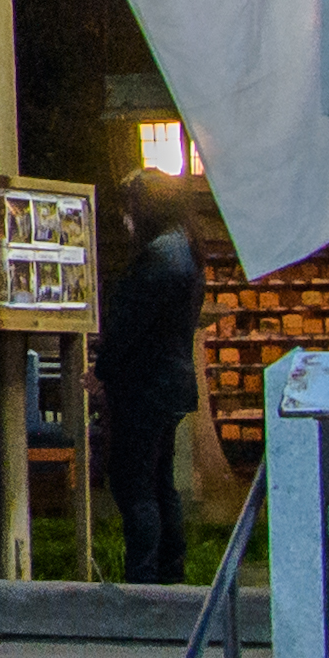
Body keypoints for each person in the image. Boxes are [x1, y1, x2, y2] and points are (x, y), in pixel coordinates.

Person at [94, 224, 206, 589]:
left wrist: (103, 369)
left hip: (144, 385)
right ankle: (170, 571)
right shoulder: (186, 250)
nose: (126, 219)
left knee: (135, 482)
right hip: (172, 382)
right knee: (161, 482)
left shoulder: (157, 257)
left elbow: (129, 324)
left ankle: (144, 577)